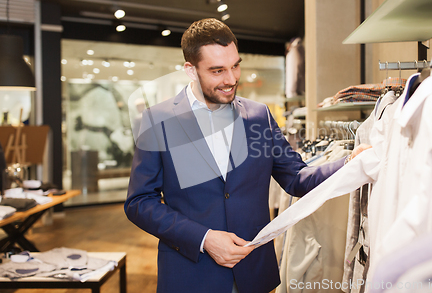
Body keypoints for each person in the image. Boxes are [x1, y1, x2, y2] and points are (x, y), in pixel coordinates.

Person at [124, 18, 370, 293]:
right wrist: (204, 238)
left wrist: (350, 163)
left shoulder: (259, 116)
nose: (231, 80)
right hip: (190, 275)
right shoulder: (158, 120)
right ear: (191, 70)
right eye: (217, 71)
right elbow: (140, 202)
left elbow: (297, 178)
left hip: (253, 275)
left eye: (235, 66)